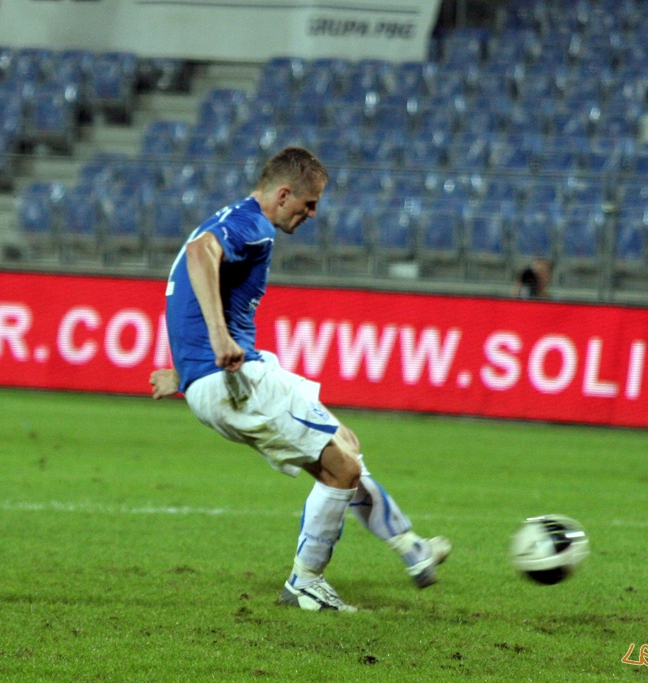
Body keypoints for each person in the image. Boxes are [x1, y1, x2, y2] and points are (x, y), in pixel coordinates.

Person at [150, 147, 450, 612]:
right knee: (342, 468)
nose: (311, 214)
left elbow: (195, 277)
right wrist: (217, 339)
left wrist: (185, 373)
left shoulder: (230, 218)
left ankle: (411, 548)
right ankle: (306, 582)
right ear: (284, 193)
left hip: (218, 376)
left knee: (344, 445)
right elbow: (198, 254)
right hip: (234, 375)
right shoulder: (252, 224)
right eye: (308, 205)